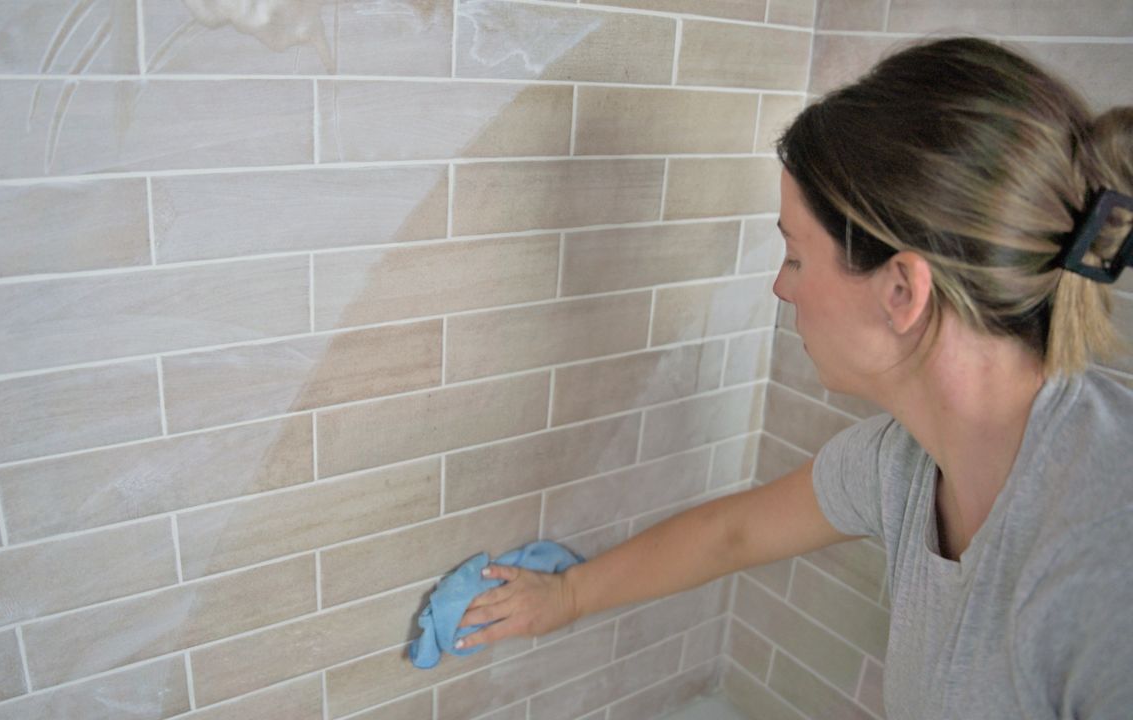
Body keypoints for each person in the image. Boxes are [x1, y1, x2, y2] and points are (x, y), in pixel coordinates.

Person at [456, 37, 1133, 719]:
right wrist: (566, 596)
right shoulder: (905, 464)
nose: (782, 288)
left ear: (901, 290)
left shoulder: (1102, 562)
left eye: (796, 257)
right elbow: (735, 534)